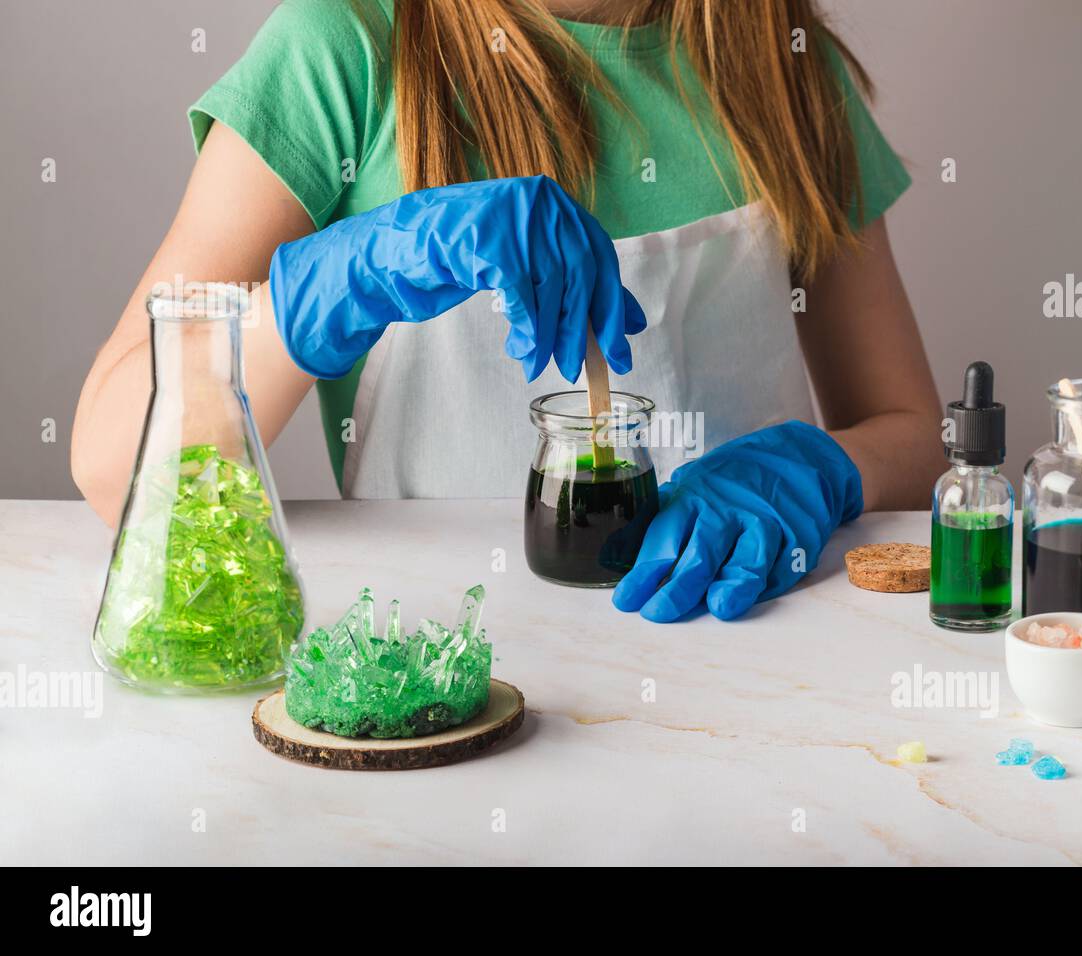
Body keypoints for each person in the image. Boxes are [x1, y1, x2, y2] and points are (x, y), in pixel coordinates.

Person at [71, 0, 945, 622]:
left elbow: (912, 432)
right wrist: (328, 290)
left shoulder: (780, 58)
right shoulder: (342, 48)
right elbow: (114, 466)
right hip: (446, 680)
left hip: (753, 653)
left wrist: (816, 471)